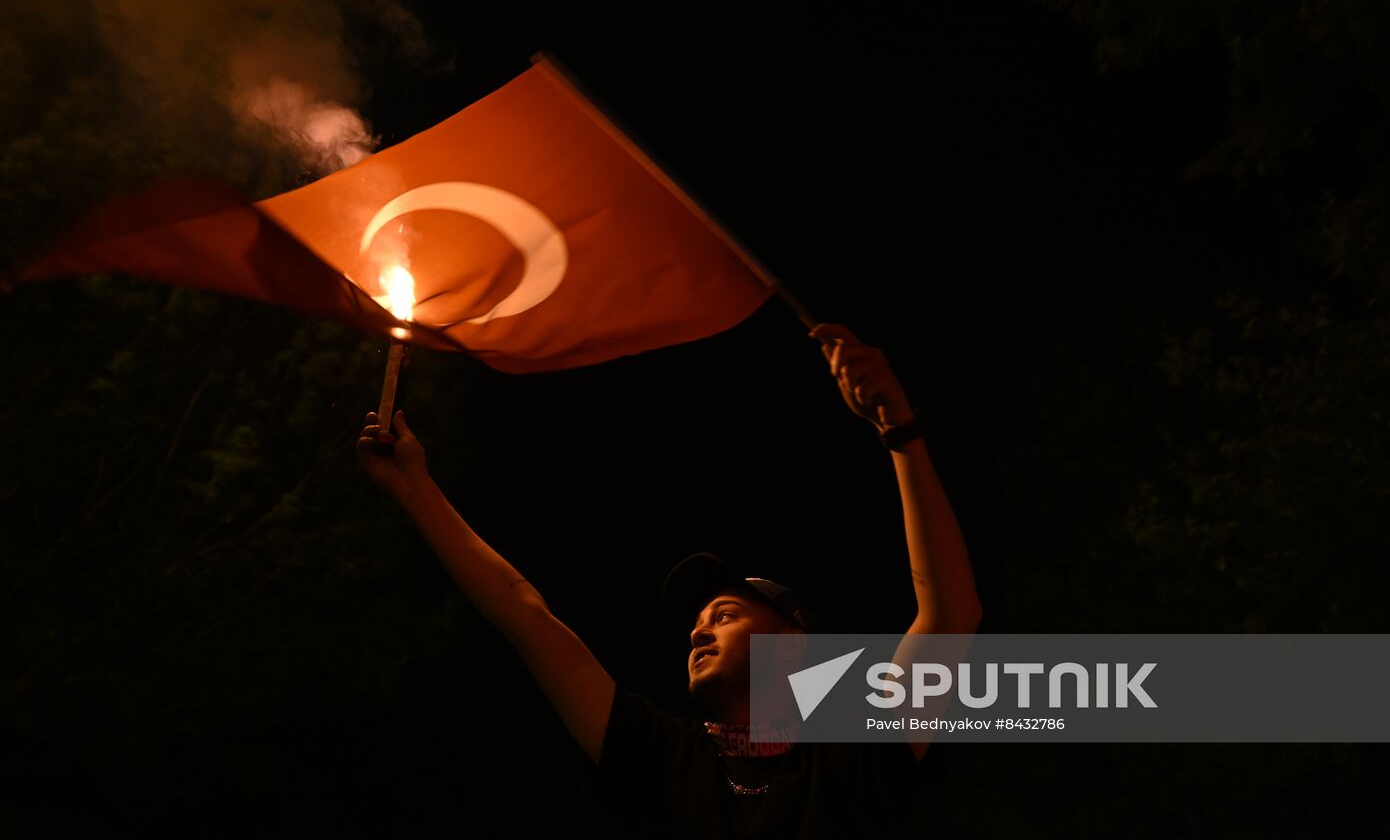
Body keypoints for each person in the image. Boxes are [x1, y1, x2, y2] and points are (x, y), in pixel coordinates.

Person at [356, 323, 981, 838]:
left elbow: (950, 614)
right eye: (698, 622)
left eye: (726, 615)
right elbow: (525, 616)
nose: (697, 632)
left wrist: (899, 433)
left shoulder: (852, 754)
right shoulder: (658, 754)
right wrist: (416, 489)